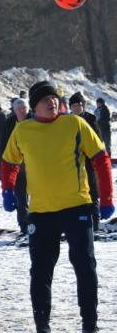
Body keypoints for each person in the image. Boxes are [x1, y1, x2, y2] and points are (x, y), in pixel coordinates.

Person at [1, 81, 113, 333]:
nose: (52, 102)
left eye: (54, 98)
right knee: (40, 272)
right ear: (34, 106)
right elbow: (8, 162)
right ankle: (42, 332)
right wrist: (7, 189)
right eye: (45, 99)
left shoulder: (74, 124)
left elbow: (101, 158)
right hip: (41, 212)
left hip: (78, 207)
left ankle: (90, 326)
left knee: (85, 265)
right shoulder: (23, 130)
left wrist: (107, 197)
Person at [68, 92, 104, 230]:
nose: (77, 108)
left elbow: (98, 138)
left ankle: (95, 221)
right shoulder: (66, 121)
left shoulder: (90, 118)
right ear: (71, 107)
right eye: (75, 105)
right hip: (72, 161)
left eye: (79, 105)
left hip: (89, 160)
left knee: (92, 190)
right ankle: (77, 222)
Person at [0, 98, 31, 234]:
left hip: (34, 166)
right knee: (21, 198)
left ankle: (40, 224)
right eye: (19, 109)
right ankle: (24, 226)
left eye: (24, 108)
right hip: (15, 167)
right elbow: (3, 147)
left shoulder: (35, 121)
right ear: (14, 110)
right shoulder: (10, 123)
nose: (22, 111)